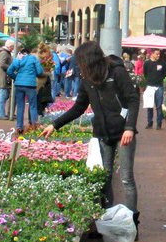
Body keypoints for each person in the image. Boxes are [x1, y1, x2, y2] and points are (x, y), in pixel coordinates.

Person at [39, 41, 139, 216]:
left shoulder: (116, 72)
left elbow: (133, 99)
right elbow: (79, 107)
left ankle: (132, 221)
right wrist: (54, 124)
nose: (79, 65)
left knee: (126, 178)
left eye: (81, 61)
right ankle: (108, 218)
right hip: (102, 132)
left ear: (90, 59)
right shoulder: (87, 78)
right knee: (104, 178)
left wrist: (130, 127)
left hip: (123, 131)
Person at [7, 45, 42, 131]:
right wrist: (34, 75)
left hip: (19, 85)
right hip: (30, 85)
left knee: (20, 106)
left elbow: (9, 71)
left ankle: (19, 127)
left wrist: (16, 78)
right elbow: (40, 71)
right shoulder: (33, 59)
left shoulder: (17, 59)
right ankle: (34, 125)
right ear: (29, 52)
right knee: (33, 105)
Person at [142, 48, 166, 130]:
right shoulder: (146, 63)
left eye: (159, 54)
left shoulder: (162, 63)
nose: (158, 55)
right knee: (149, 106)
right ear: (152, 54)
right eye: (157, 54)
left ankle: (159, 124)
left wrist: (159, 79)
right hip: (150, 86)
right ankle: (149, 123)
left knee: (158, 106)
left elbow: (164, 73)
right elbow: (145, 73)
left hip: (159, 86)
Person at [0, 40, 15, 119]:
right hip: (3, 77)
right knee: (2, 96)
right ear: (10, 46)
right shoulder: (4, 53)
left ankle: (1, 113)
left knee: (4, 95)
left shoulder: (5, 53)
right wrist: (10, 68)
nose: (13, 49)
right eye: (12, 47)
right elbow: (1, 64)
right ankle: (0, 114)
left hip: (4, 77)